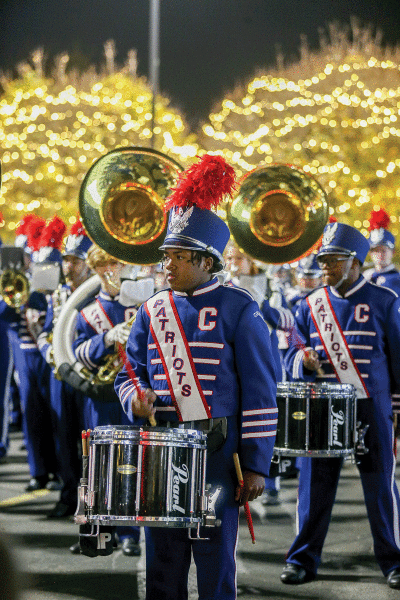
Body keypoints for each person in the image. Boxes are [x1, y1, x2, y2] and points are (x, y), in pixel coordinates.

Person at [115, 154, 278, 600]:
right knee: (163, 565)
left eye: (178, 256)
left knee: (213, 564)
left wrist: (258, 464)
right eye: (165, 255)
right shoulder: (152, 310)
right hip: (160, 450)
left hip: (217, 458)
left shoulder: (238, 309)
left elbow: (261, 392)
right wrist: (135, 398)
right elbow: (129, 373)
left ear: (207, 261)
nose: (166, 264)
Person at [281, 221, 400, 589]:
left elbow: (398, 360)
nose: (325, 268)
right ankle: (302, 559)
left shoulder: (386, 301)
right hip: (322, 407)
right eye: (323, 260)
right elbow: (290, 354)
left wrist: (397, 411)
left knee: (380, 486)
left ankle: (394, 561)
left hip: (372, 406)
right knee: (313, 487)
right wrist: (304, 362)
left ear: (354, 261)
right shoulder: (310, 305)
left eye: (332, 261)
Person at [71, 244, 147, 557]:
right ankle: (97, 532)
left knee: (130, 463)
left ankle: (130, 533)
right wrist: (105, 338)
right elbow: (77, 355)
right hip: (100, 398)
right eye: (103, 266)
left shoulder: (141, 304)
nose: (110, 271)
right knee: (96, 465)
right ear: (95, 270)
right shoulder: (87, 313)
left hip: (131, 395)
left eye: (114, 264)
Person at [37, 218, 92, 519]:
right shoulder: (57, 294)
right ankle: (68, 495)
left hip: (85, 373)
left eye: (75, 260)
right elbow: (47, 331)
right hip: (60, 374)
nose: (68, 266)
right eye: (67, 260)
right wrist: (48, 351)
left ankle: (91, 500)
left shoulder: (96, 293)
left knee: (87, 438)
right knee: (63, 434)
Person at [363, 207, 400, 294]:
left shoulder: (397, 277)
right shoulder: (365, 276)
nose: (379, 254)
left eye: (383, 250)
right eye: (376, 251)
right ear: (370, 253)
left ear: (392, 252)